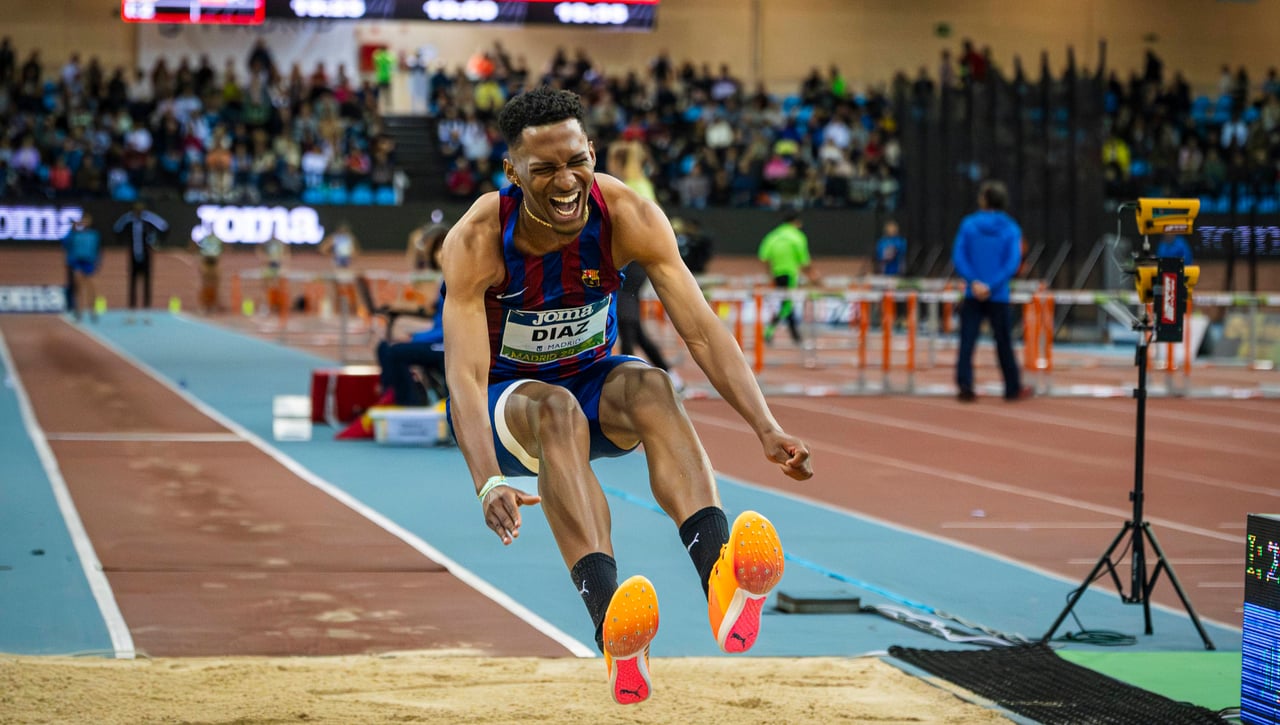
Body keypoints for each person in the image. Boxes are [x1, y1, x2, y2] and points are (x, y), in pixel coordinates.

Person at [440, 87, 812, 705]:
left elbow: (701, 330)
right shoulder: (478, 238)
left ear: (592, 151)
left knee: (653, 384)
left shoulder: (628, 215)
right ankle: (612, 626)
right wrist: (486, 480)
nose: (567, 181)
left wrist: (765, 426)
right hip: (510, 401)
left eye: (576, 161)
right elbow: (464, 378)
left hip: (594, 383)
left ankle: (720, 576)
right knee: (555, 410)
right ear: (512, 172)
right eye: (545, 169)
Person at [952, 179, 1029, 402]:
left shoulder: (969, 224)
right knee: (1004, 341)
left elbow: (959, 256)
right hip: (999, 295)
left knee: (967, 340)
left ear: (984, 199)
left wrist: (974, 282)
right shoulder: (1011, 228)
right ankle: (1012, 387)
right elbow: (1012, 262)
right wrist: (992, 285)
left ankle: (965, 384)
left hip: (973, 293)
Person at [378, 226, 449, 406]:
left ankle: (409, 404)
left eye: (441, 249)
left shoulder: (454, 280)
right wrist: (416, 336)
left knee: (395, 352)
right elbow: (439, 323)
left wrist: (415, 338)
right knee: (384, 347)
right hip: (439, 337)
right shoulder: (445, 278)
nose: (438, 255)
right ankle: (393, 396)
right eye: (436, 251)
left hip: (447, 345)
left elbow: (451, 329)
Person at [757, 209, 814, 345]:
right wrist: (813, 276)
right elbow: (804, 261)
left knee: (786, 304)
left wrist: (770, 274)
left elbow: (764, 256)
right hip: (790, 274)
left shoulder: (773, 235)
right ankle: (770, 331)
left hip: (777, 274)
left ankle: (795, 335)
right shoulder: (797, 237)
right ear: (796, 222)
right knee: (787, 305)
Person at [112, 202, 169, 319]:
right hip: (133, 255)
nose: (138, 212)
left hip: (146, 255)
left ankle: (146, 310)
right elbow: (117, 228)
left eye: (140, 210)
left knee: (147, 282)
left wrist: (156, 241)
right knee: (132, 282)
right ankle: (131, 310)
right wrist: (122, 241)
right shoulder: (128, 218)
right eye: (136, 210)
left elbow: (164, 226)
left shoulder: (149, 218)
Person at [62, 212, 101, 322]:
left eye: (86, 221)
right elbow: (65, 244)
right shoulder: (75, 234)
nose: (84, 223)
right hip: (77, 263)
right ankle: (79, 311)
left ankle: (93, 310)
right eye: (83, 221)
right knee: (78, 288)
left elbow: (98, 250)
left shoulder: (94, 235)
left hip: (89, 263)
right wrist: (72, 230)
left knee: (92, 288)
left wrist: (97, 263)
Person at [193, 227, 224, 314]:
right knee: (204, 285)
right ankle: (203, 305)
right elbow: (199, 250)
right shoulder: (204, 240)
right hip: (206, 261)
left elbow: (220, 251)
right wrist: (200, 263)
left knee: (215, 285)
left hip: (214, 262)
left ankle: (213, 304)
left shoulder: (217, 240)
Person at [257, 234, 290, 314]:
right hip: (269, 267)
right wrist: (263, 261)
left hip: (278, 267)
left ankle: (278, 305)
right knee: (266, 287)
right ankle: (266, 305)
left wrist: (285, 264)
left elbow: (287, 254)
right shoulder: (267, 244)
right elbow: (259, 251)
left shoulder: (280, 244)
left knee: (280, 286)